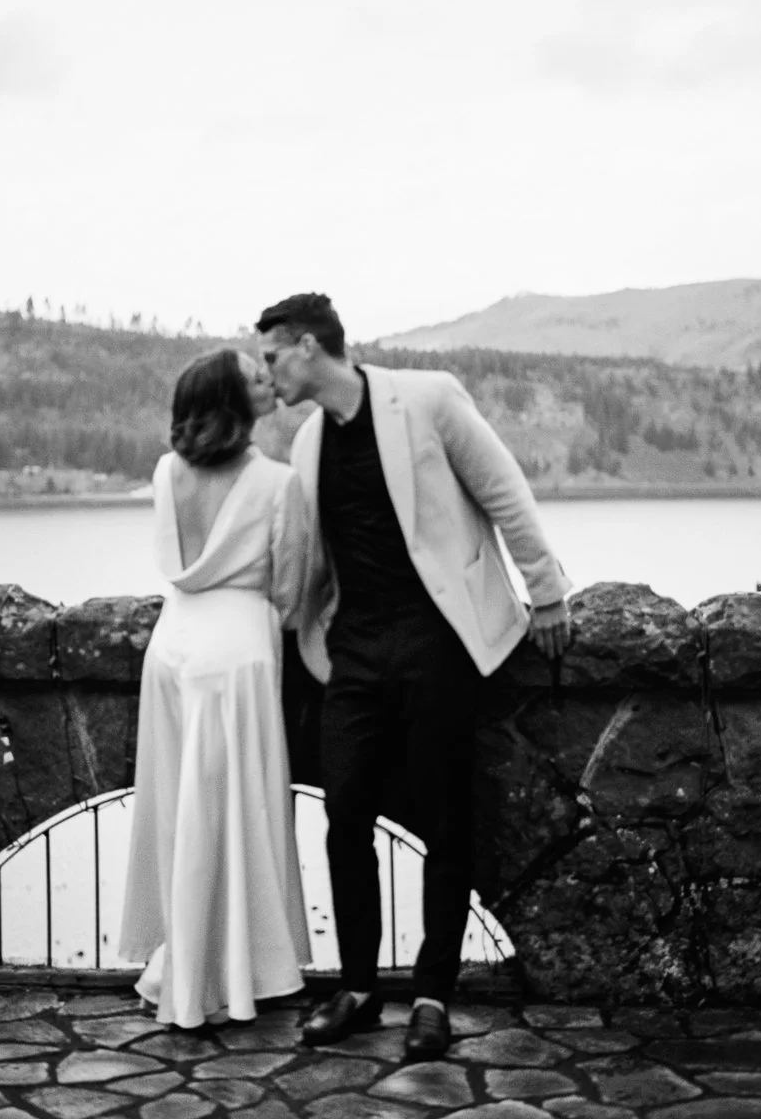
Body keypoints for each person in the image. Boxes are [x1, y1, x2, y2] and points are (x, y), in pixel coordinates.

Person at [256, 293, 572, 1060]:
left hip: (440, 642)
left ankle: (433, 996)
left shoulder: (427, 398)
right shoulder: (305, 445)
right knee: (346, 817)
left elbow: (503, 490)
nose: (264, 374)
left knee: (444, 818)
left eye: (270, 357)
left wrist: (549, 589)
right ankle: (359, 988)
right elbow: (305, 560)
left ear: (306, 346)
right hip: (353, 653)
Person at [119, 348, 312, 1029]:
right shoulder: (277, 484)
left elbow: (172, 564)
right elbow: (290, 592)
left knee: (179, 812)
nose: (267, 381)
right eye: (254, 377)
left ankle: (187, 961)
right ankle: (238, 969)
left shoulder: (167, 472)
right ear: (235, 400)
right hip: (237, 657)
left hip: (171, 649)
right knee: (235, 814)